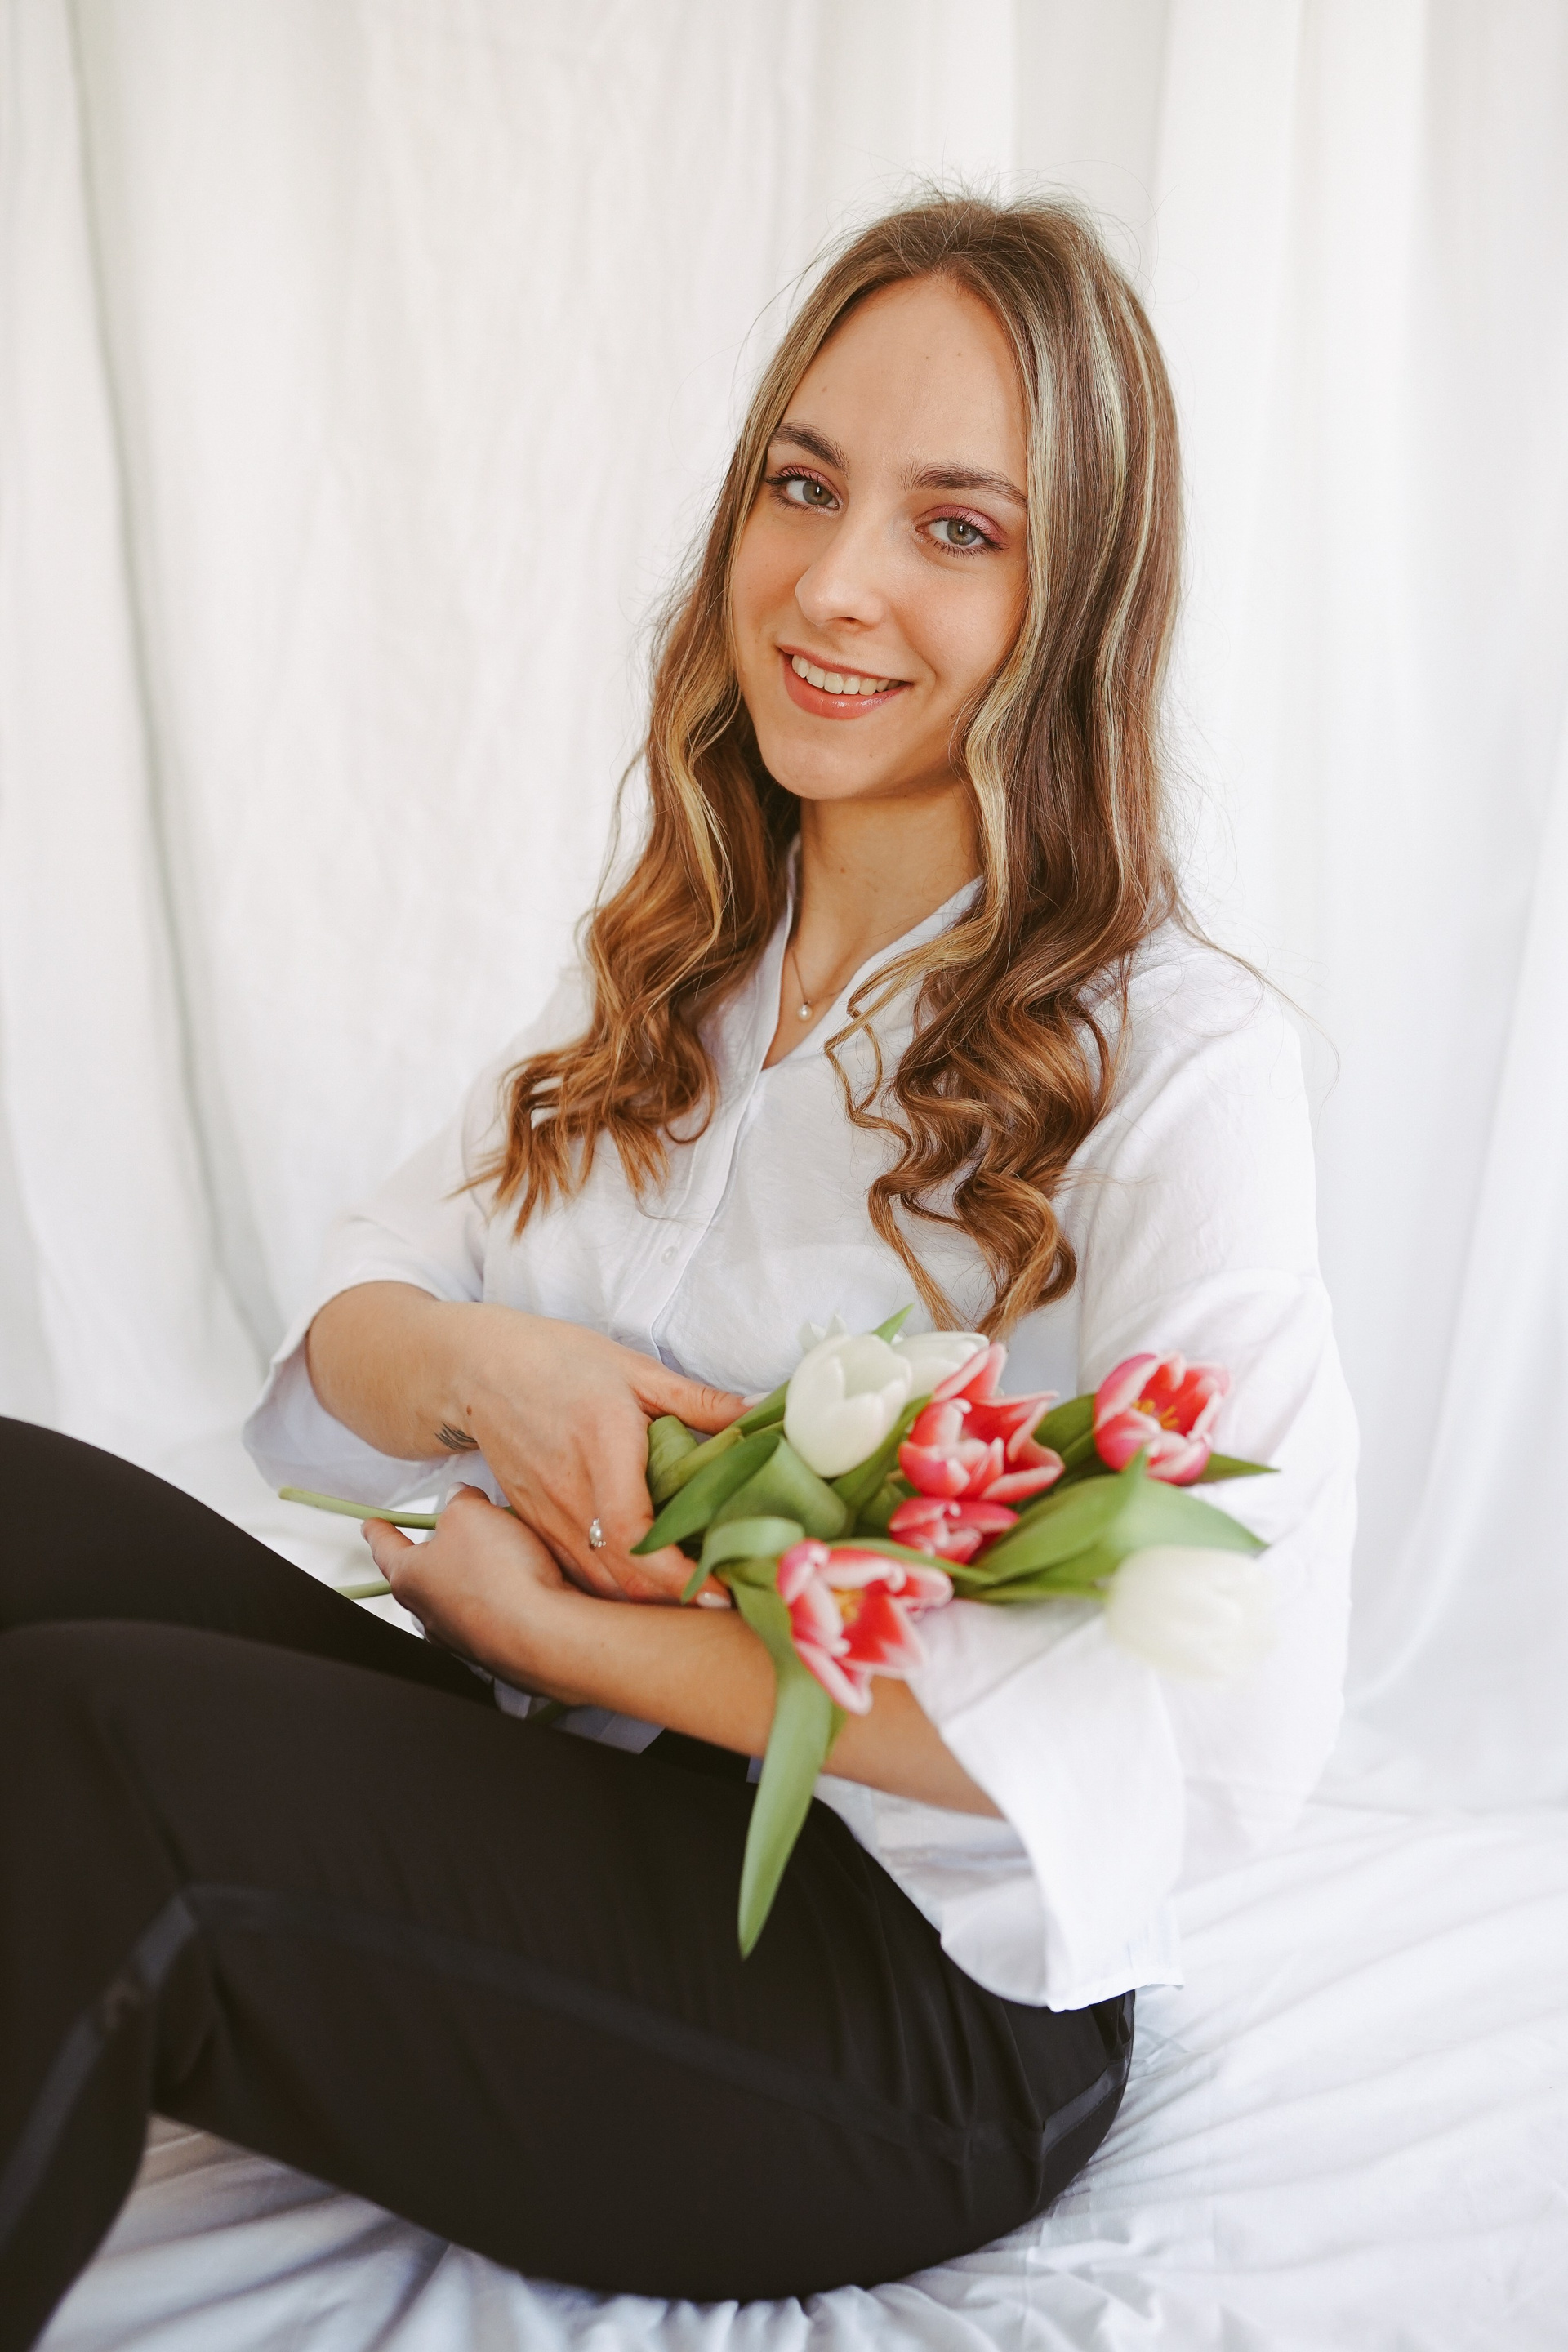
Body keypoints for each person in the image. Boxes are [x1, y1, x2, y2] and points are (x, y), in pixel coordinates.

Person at [0, 194, 1354, 2343]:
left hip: (907, 1996)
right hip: (573, 1799)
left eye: (956, 528)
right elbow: (360, 1309)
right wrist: (492, 1380)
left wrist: (573, 1632)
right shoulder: (687, 961)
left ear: (1082, 598)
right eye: (804, 486)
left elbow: (1231, 1713)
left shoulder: (1178, 1062)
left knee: (88, 1758)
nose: (833, 583)